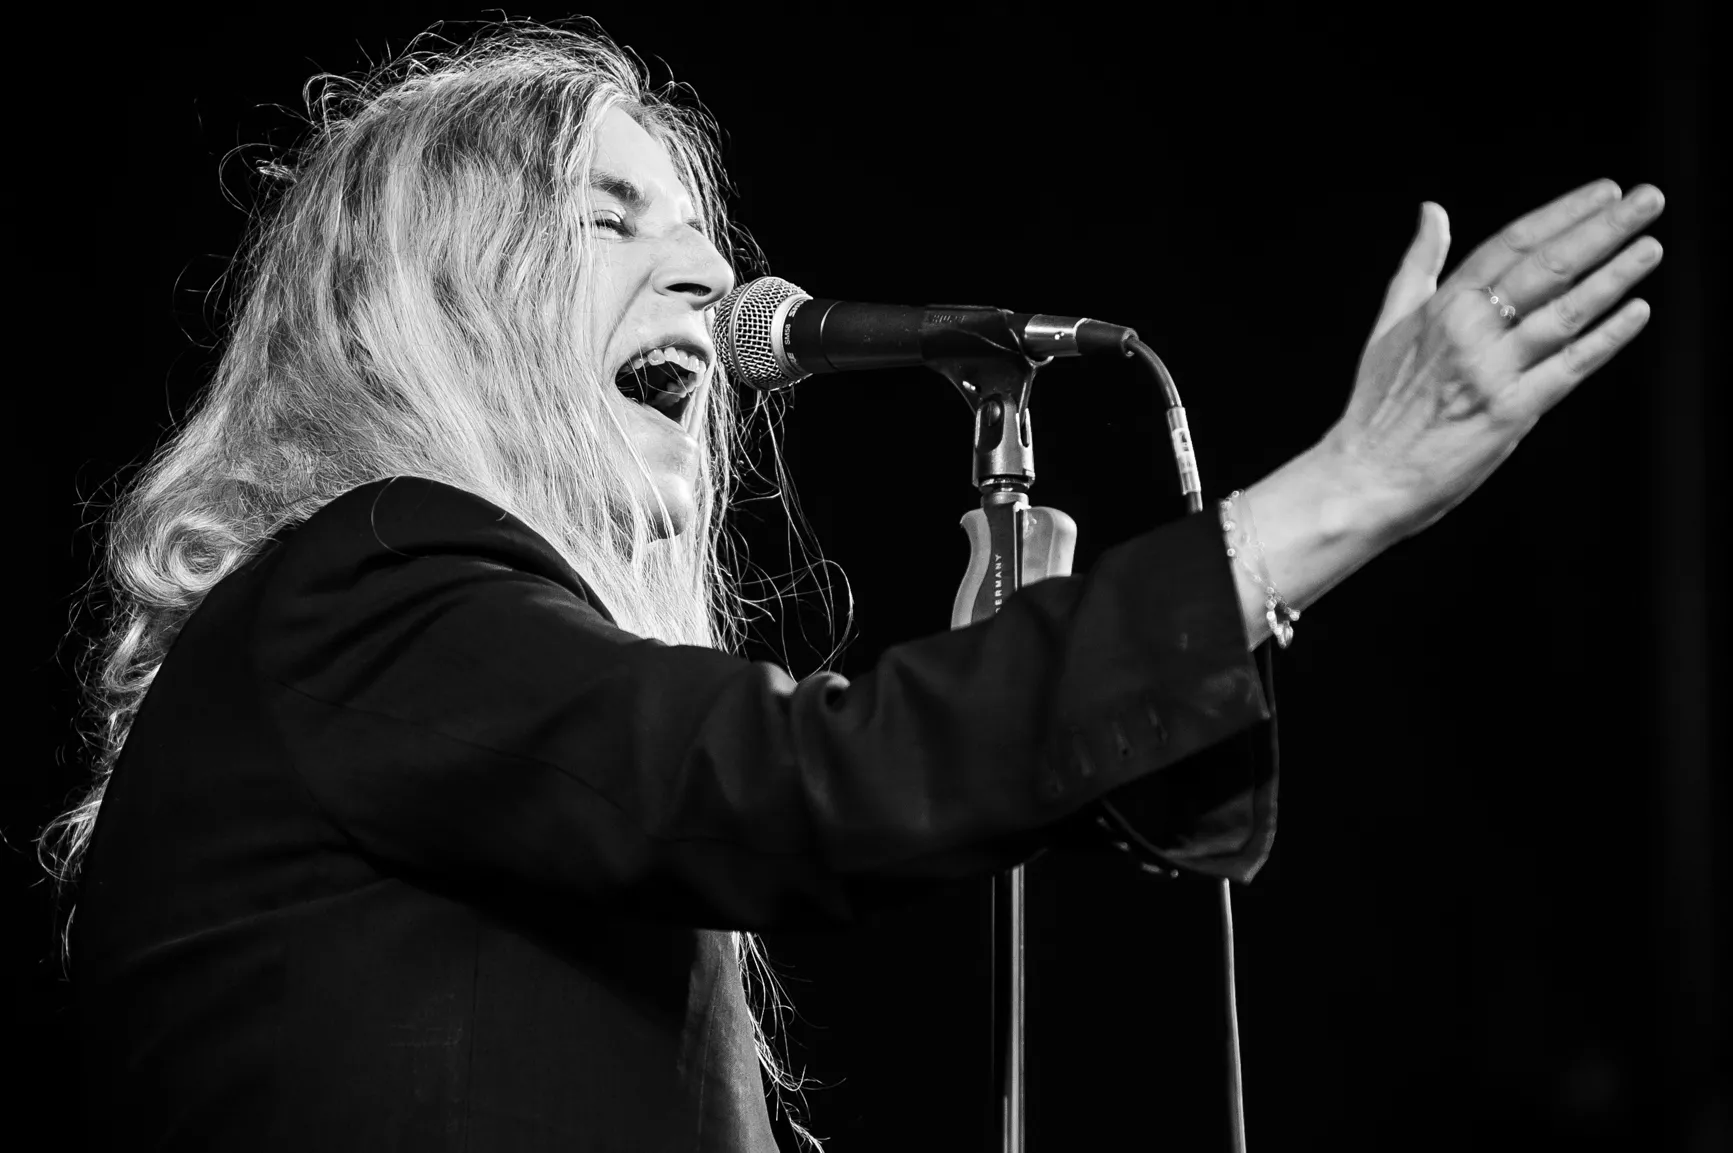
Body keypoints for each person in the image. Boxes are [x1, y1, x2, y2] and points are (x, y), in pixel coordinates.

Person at [39, 19, 1665, 1153]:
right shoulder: (365, 587)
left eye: (697, 228)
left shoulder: (437, 693)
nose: (708, 272)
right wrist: (1351, 485)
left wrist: (1020, 685)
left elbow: (817, 786)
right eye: (607, 220)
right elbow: (802, 781)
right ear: (437, 304)